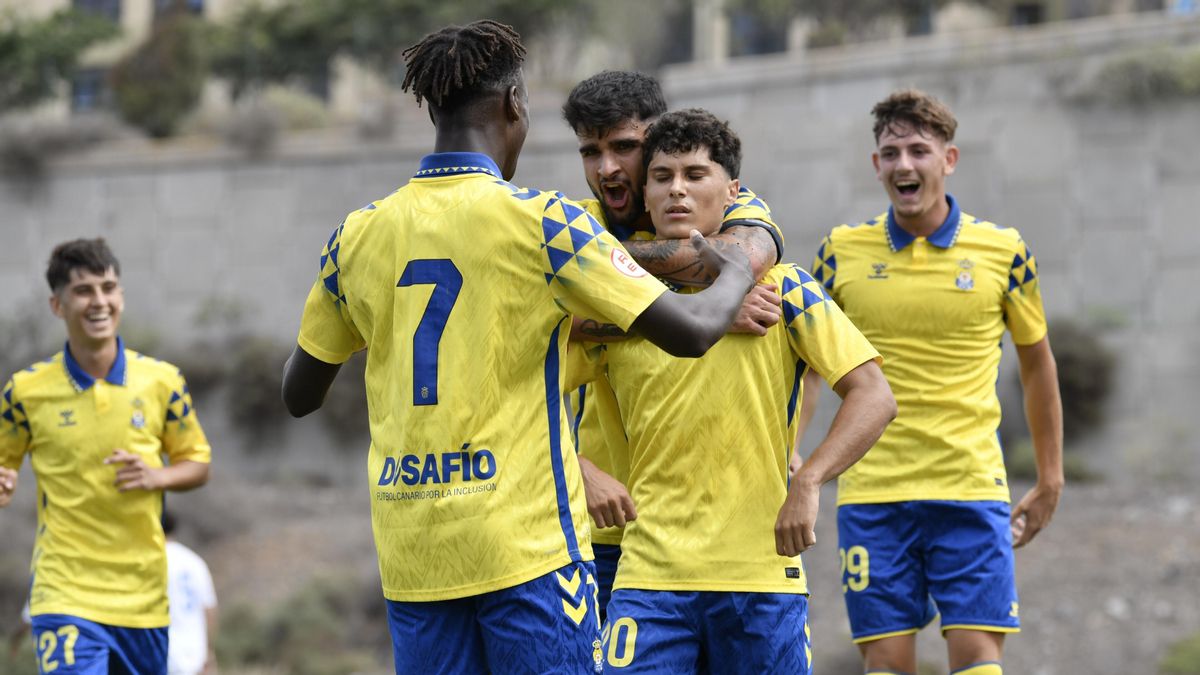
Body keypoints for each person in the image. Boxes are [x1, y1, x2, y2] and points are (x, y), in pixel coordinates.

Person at [279, 21, 755, 674]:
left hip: (413, 552)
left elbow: (298, 395)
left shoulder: (355, 237)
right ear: (513, 106)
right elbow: (695, 332)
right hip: (527, 552)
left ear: (431, 109)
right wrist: (732, 273)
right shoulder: (544, 222)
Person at [571, 109, 896, 673]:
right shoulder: (617, 304)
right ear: (644, 194)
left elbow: (874, 395)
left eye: (695, 175)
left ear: (733, 192)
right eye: (663, 176)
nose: (677, 189)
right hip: (648, 574)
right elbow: (519, 394)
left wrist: (811, 480)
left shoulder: (785, 287)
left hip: (763, 576)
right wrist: (581, 467)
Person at [809, 89, 1064, 675]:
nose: (904, 164)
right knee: (888, 666)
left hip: (970, 487)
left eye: (919, 150)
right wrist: (795, 455)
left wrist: (1050, 476)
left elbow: (1037, 364)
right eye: (891, 152)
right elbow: (810, 367)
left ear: (948, 159)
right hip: (873, 495)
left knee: (978, 662)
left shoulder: (1004, 251)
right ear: (876, 165)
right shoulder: (839, 253)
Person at [560, 70, 786, 621]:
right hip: (605, 523)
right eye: (590, 151)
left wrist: (587, 278)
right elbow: (538, 343)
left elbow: (748, 252)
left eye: (624, 147)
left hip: (719, 536)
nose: (606, 168)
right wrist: (697, 310)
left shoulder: (732, 207)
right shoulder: (570, 226)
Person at [0, 237, 212, 674]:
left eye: (108, 287)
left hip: (144, 600)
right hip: (65, 591)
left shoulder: (162, 382)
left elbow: (197, 464)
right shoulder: (24, 392)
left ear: (120, 296)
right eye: (83, 291)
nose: (99, 301)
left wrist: (157, 477)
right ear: (57, 305)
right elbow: (4, 465)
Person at [163, 510, 218, 675]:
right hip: (194, 652)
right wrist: (209, 650)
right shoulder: (194, 561)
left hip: (162, 652)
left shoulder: (150, 560)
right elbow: (209, 608)